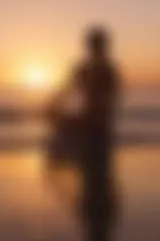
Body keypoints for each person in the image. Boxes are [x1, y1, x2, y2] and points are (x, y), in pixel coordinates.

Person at [45, 26, 121, 241]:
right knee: (93, 186)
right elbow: (64, 92)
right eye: (97, 44)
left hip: (98, 134)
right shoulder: (89, 70)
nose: (98, 48)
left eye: (98, 44)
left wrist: (65, 115)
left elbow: (105, 106)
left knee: (97, 186)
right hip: (94, 134)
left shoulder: (106, 72)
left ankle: (98, 230)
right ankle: (97, 230)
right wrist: (55, 108)